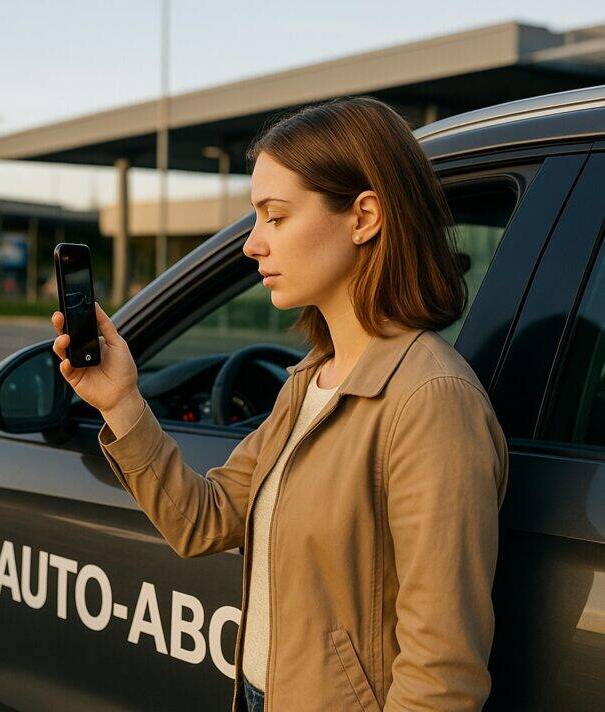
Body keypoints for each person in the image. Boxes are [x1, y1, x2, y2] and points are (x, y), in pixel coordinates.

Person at [51, 96, 509, 711]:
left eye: (275, 216)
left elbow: (442, 675)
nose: (252, 245)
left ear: (363, 216)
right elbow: (203, 521)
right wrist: (121, 402)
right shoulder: (310, 383)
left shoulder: (431, 401)